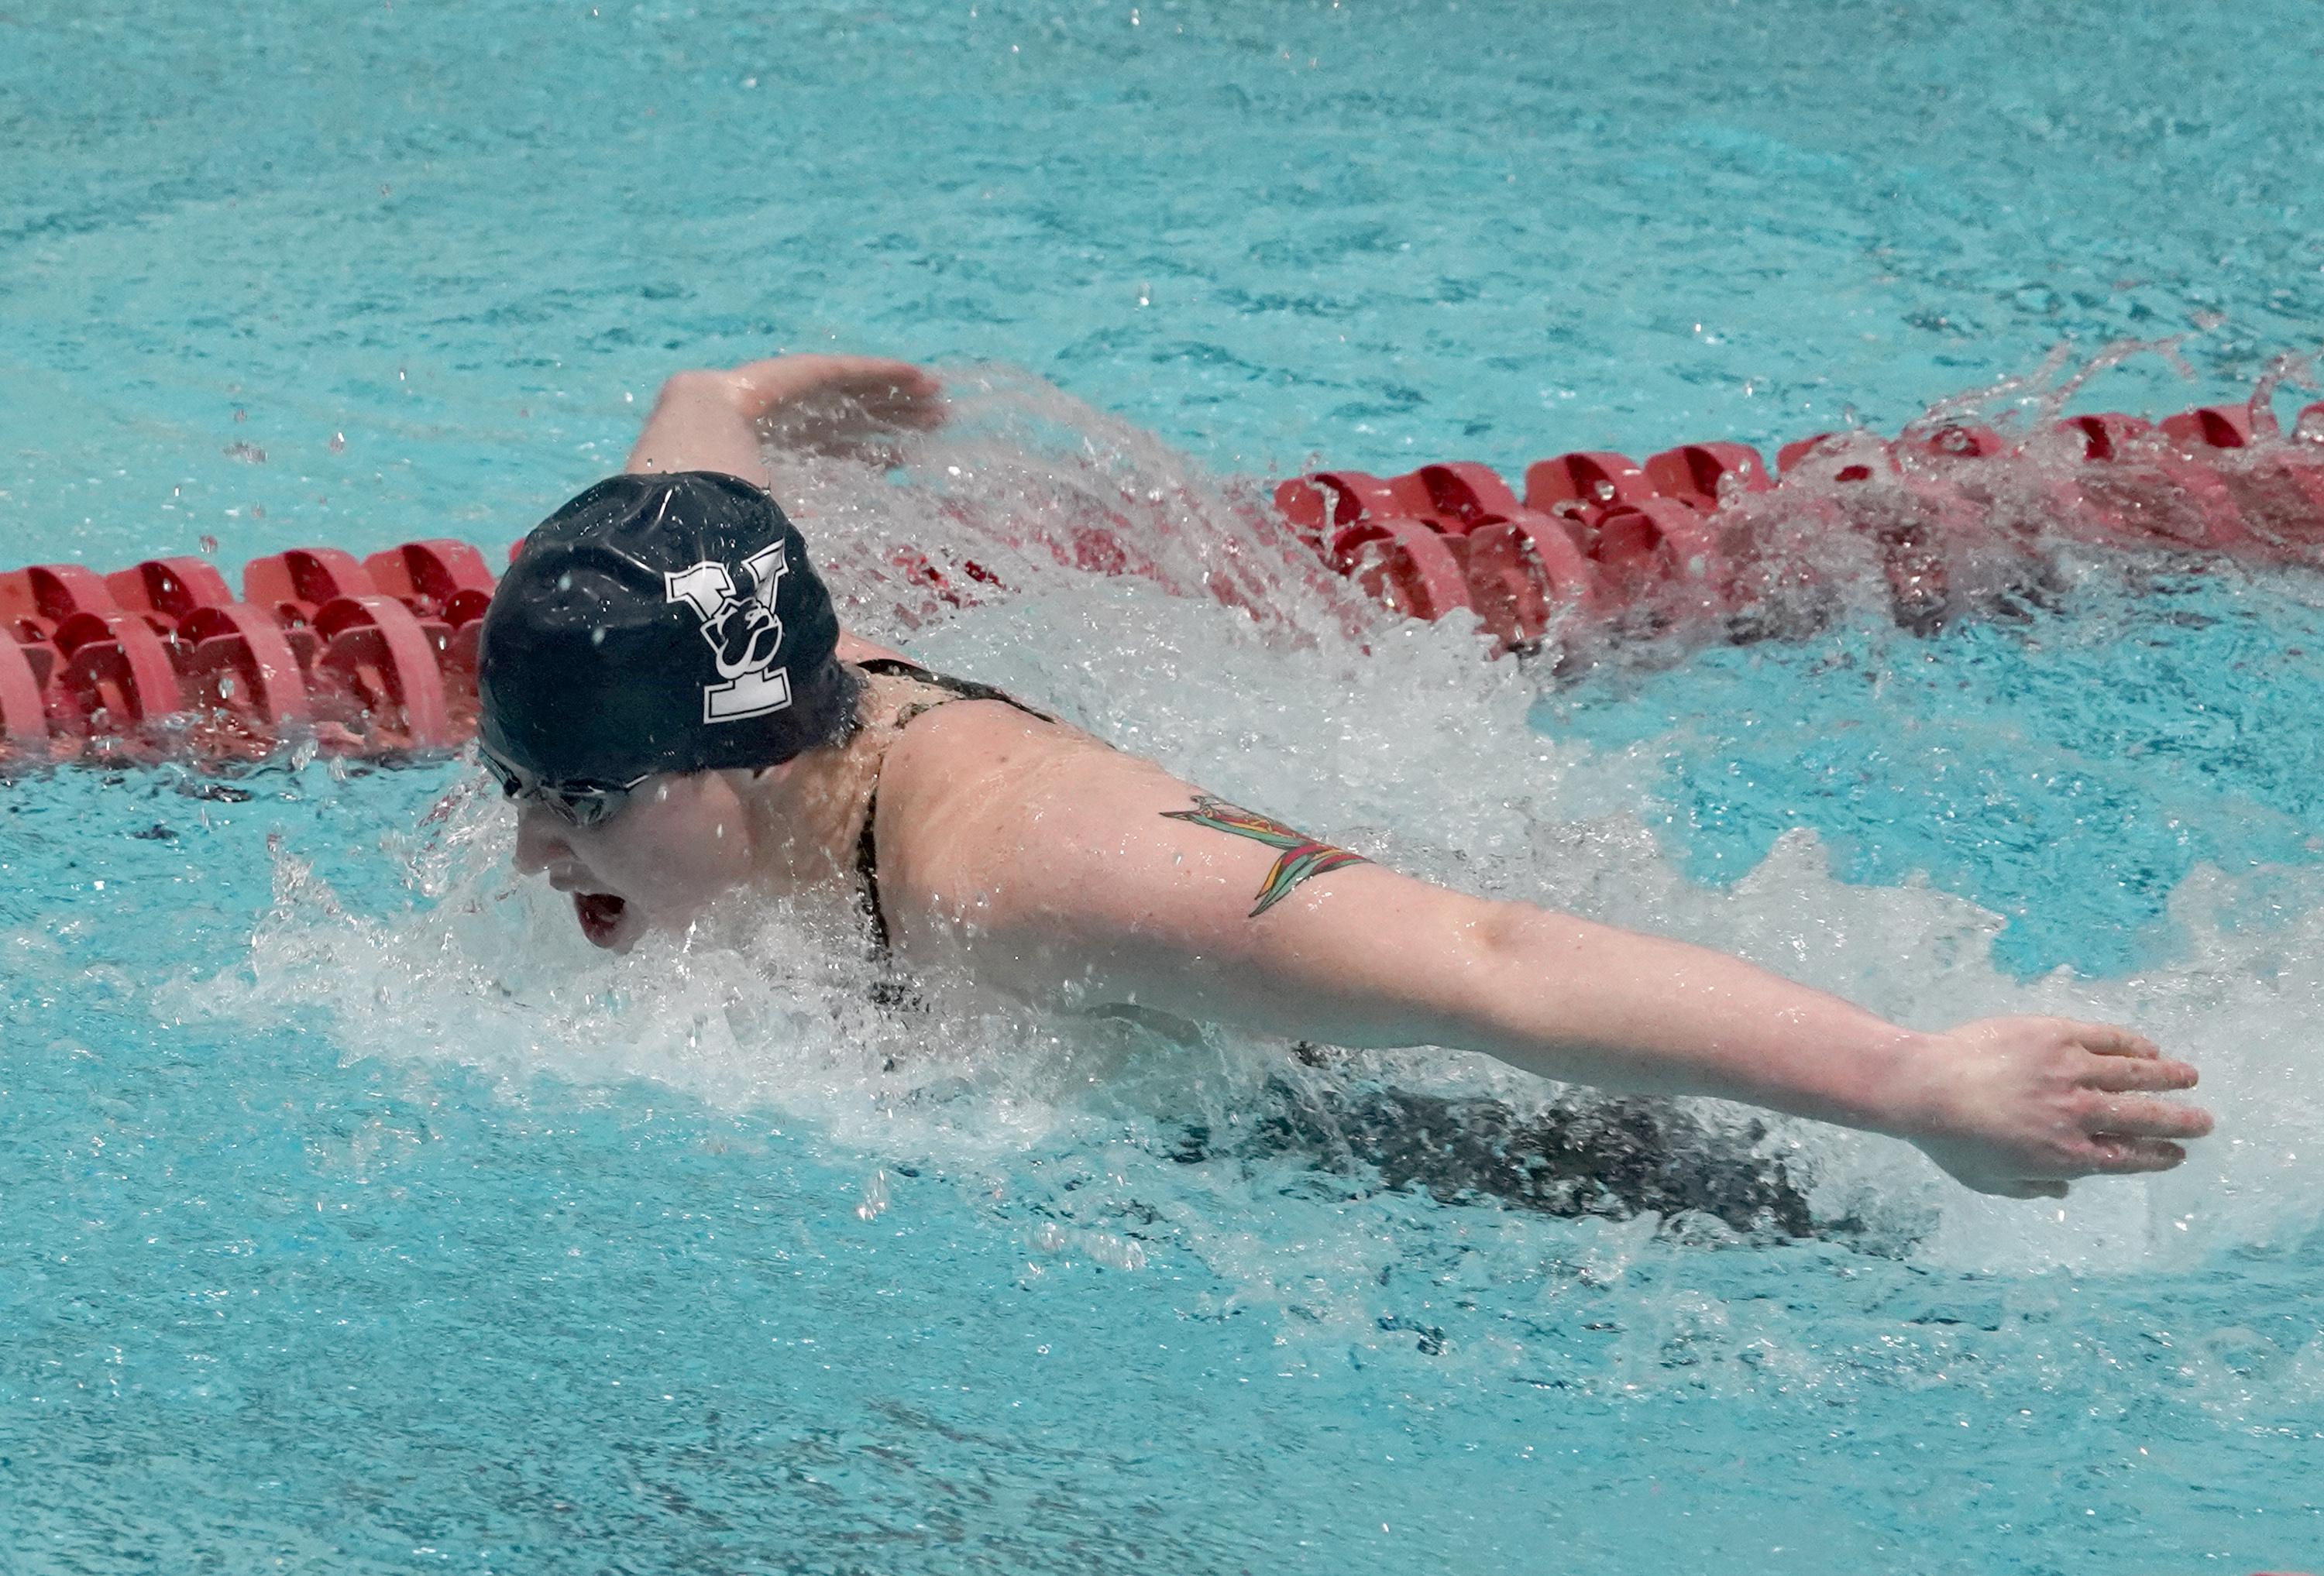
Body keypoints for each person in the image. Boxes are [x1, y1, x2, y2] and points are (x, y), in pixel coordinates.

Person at [478, 352, 2213, 1203]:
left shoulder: (1026, 864)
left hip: (1471, 1119)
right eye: (517, 788)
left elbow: (1489, 966)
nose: (537, 854)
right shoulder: (679, 649)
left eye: (588, 803)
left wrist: (1916, 1080)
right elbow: (692, 462)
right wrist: (743, 389)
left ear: (762, 751)